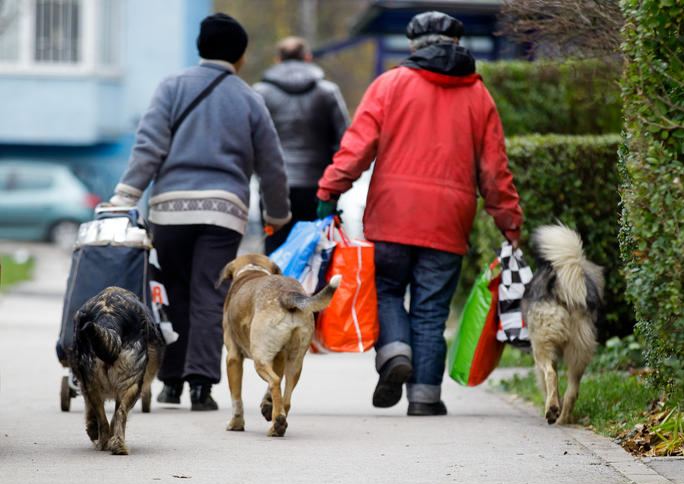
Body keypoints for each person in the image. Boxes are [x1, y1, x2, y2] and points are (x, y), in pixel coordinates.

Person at [315, 11, 523, 416]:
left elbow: (357, 147)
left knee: (388, 290)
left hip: (392, 215)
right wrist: (509, 223)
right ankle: (425, 397)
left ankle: (394, 354)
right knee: (431, 308)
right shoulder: (479, 96)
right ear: (458, 44)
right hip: (449, 220)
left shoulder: (390, 85)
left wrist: (329, 191)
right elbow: (495, 171)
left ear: (413, 46)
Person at [109, 13, 291, 411]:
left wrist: (124, 197)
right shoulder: (249, 98)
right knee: (210, 296)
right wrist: (278, 213)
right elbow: (272, 164)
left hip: (170, 212)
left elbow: (149, 147)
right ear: (240, 57)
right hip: (223, 213)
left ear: (199, 48)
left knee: (170, 295)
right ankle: (201, 386)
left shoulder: (171, 87)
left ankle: (170, 382)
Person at [252, 36, 350, 254]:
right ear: (308, 58)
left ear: (277, 60)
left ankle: (277, 289)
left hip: (274, 188)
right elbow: (345, 142)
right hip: (317, 188)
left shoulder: (260, 93)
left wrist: (259, 173)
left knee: (275, 251)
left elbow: (250, 141)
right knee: (315, 253)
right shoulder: (327, 92)